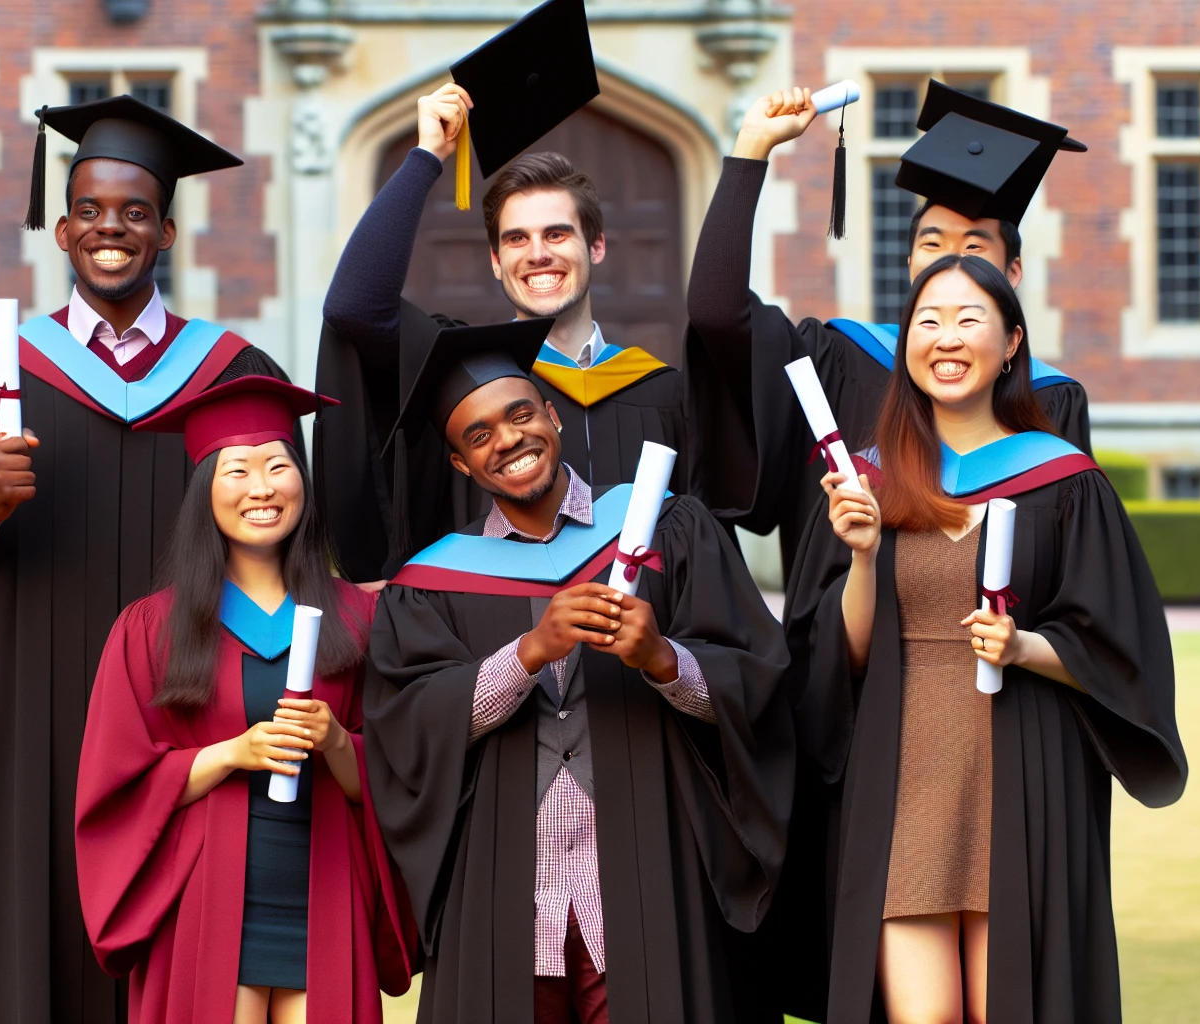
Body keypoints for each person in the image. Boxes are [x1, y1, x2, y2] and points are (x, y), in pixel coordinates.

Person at [0, 95, 296, 1023]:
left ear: (168, 232)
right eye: (94, 212)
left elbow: (285, 541)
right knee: (43, 950)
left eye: (136, 212)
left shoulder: (230, 375)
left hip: (193, 719)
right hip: (40, 720)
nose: (114, 230)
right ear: (62, 229)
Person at [783, 254, 1186, 1022]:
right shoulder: (868, 482)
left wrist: (1024, 646)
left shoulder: (1064, 481)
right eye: (928, 321)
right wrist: (863, 555)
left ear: (1011, 343)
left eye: (970, 319)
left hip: (1023, 772)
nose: (946, 337)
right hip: (903, 773)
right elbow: (843, 657)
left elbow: (1122, 642)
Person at [361, 320, 795, 1023]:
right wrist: (529, 652)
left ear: (552, 416)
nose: (507, 440)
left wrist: (663, 659)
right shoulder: (433, 580)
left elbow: (761, 681)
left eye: (520, 413)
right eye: (478, 436)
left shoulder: (668, 529)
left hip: (652, 872)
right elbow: (403, 727)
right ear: (460, 466)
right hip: (504, 887)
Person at [75, 376, 415, 1023]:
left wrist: (338, 742)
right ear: (206, 491)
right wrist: (234, 752)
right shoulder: (152, 629)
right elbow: (114, 789)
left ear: (302, 483)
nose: (261, 488)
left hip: (326, 896)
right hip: (208, 903)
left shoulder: (362, 619)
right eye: (237, 470)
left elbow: (407, 773)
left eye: (278, 465)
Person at [317, 0, 689, 583]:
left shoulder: (663, 394)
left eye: (557, 233)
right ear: (495, 261)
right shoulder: (459, 370)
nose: (537, 253)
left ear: (596, 246)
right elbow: (353, 308)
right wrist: (425, 158)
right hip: (490, 655)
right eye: (516, 239)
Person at [686, 81, 1092, 572]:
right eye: (933, 244)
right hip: (839, 646)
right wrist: (752, 146)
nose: (951, 264)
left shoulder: (1049, 400)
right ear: (908, 264)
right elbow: (716, 311)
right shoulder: (839, 360)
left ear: (1013, 274)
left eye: (975, 247)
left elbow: (1072, 575)